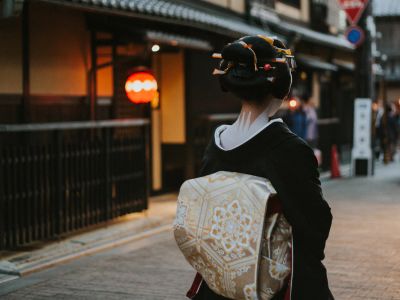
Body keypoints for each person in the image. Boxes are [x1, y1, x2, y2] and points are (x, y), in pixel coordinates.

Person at [188, 35, 333, 299]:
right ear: (282, 84)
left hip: (223, 277)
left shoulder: (217, 141)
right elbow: (314, 224)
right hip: (271, 281)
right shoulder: (290, 149)